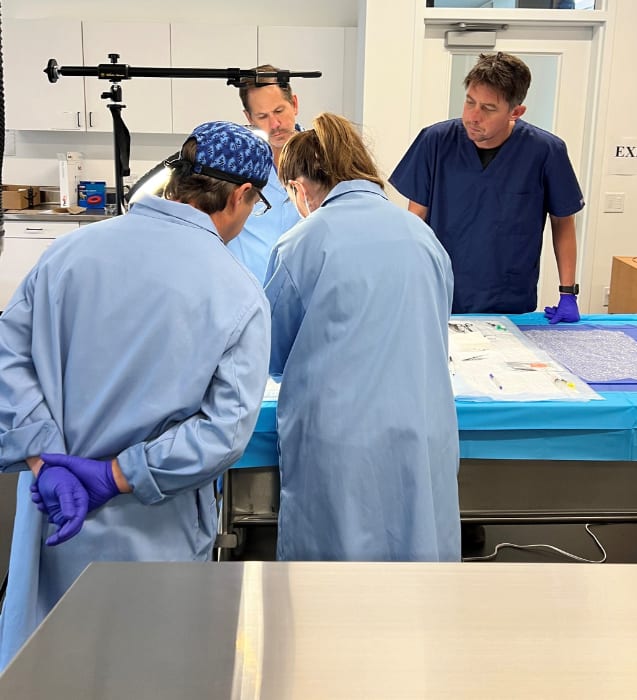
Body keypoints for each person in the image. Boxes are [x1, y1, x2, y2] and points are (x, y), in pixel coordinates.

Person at [0, 121, 273, 670]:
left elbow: (11, 358)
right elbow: (222, 431)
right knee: (149, 667)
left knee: (52, 666)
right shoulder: (236, 292)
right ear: (242, 196)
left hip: (54, 512)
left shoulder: (69, 254)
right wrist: (116, 477)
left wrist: (46, 460)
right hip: (154, 531)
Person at [264, 112, 461, 562]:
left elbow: (275, 355)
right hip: (422, 429)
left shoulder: (302, 242)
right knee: (417, 561)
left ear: (300, 186)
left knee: (335, 587)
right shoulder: (423, 237)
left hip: (341, 441)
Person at [390, 51, 585, 324]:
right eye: (470, 102)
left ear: (515, 112)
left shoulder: (545, 152)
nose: (473, 116)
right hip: (441, 292)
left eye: (488, 108)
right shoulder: (436, 142)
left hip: (508, 298)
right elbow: (415, 219)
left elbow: (563, 224)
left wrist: (568, 294)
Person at [226, 64, 303, 284]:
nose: (275, 124)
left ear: (294, 104)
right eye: (262, 116)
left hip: (306, 301)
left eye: (279, 111)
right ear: (248, 117)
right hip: (248, 297)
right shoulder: (235, 167)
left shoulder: (325, 160)